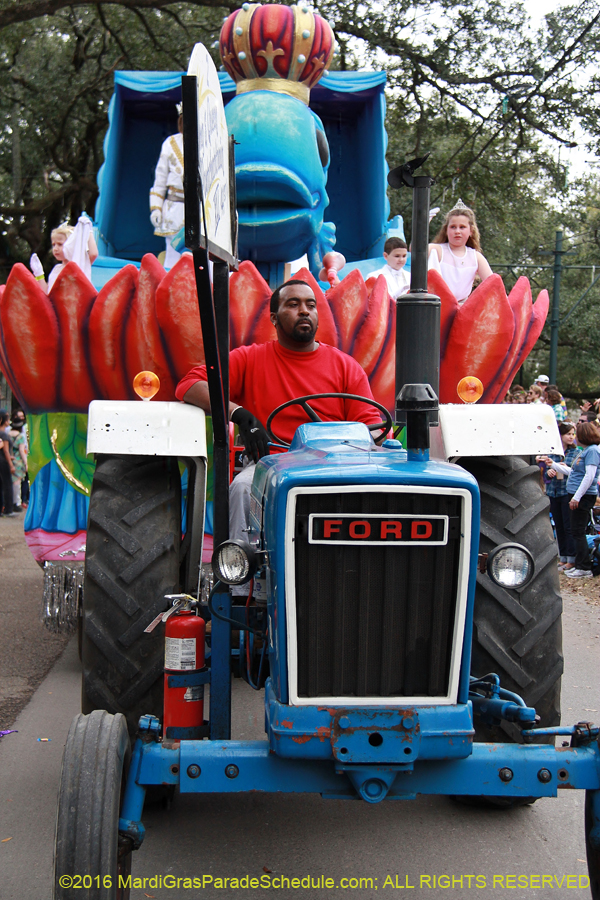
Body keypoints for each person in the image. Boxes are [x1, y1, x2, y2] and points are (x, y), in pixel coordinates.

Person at [176, 279, 382, 590]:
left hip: (335, 467)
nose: (304, 311)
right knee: (243, 488)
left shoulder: (346, 367)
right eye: (293, 304)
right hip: (270, 466)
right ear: (274, 318)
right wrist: (238, 413)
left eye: (310, 305)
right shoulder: (250, 358)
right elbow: (190, 385)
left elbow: (372, 427)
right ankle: (242, 590)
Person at [541, 420, 600, 578]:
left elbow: (589, 476)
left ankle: (583, 567)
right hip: (573, 494)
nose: (575, 438)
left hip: (583, 496)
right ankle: (578, 564)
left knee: (577, 531)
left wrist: (576, 497)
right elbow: (573, 472)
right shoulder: (585, 451)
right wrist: (553, 464)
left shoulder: (592, 452)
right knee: (575, 530)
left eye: (576, 434)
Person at [428, 201, 493, 302]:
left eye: (462, 227)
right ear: (446, 230)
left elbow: (493, 284)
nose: (457, 231)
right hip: (438, 305)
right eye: (453, 227)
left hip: (463, 307)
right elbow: (416, 250)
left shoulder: (476, 257)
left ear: (471, 231)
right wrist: (423, 225)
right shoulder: (438, 250)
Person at [538, 422, 578, 571]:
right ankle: (563, 557)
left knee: (568, 526)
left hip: (567, 492)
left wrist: (561, 467)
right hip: (553, 491)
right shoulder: (551, 453)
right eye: (568, 434)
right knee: (558, 526)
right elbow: (542, 474)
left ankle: (572, 558)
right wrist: (548, 473)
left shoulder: (575, 453)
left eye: (573, 434)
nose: (571, 437)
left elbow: (576, 472)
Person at [150, 107, 184, 270]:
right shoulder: (170, 143)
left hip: (201, 210)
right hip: (174, 208)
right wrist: (156, 208)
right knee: (172, 255)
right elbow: (160, 180)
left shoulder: (208, 142)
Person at [30, 219, 98, 292]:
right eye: (53, 245)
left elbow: (93, 254)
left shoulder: (80, 264)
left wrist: (89, 230)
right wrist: (39, 274)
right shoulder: (56, 269)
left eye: (60, 244)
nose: (55, 249)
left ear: (72, 245)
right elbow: (47, 294)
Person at [9, 411, 27, 511]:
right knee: (17, 483)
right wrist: (26, 463)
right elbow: (21, 451)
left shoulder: (7, 434)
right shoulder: (20, 436)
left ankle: (9, 502)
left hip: (9, 459)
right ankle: (16, 502)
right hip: (18, 462)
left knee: (9, 483)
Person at [0, 411, 15, 516]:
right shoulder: (3, 434)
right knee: (7, 485)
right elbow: (6, 451)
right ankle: (8, 509)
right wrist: (11, 465)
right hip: (4, 462)